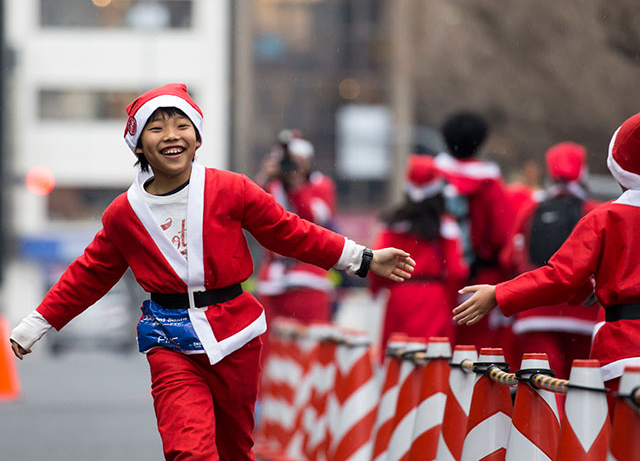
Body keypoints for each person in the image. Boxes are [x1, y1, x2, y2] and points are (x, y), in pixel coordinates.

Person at [8, 84, 416, 461]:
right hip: (168, 338)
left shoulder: (231, 189)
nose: (171, 135)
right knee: (189, 449)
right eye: (156, 128)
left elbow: (289, 232)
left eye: (182, 125)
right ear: (139, 145)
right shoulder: (124, 213)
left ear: (198, 138)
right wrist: (36, 323)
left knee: (234, 448)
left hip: (236, 332)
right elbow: (90, 273)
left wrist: (363, 258)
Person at [454, 112, 640, 413]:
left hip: (622, 349)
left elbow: (561, 276)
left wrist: (499, 294)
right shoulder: (591, 208)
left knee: (557, 391)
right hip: (583, 325)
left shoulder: (603, 218)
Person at [500, 141, 601, 381]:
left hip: (536, 310)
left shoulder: (531, 208)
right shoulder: (594, 210)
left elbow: (508, 258)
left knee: (545, 381)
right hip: (583, 314)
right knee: (579, 384)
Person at [434, 111, 515, 359]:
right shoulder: (490, 183)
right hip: (482, 277)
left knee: (439, 348)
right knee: (479, 353)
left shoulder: (434, 177)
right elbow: (503, 232)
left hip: (439, 275)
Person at [369, 155, 468, 357]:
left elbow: (377, 263)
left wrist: (377, 289)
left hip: (399, 295)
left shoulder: (392, 223)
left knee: (397, 365)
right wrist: (450, 303)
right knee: (433, 367)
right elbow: (456, 271)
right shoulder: (445, 225)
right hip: (434, 298)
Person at [254, 130, 338, 352]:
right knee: (268, 351)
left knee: (311, 348)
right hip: (273, 280)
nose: (294, 167)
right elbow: (251, 213)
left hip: (309, 277)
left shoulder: (320, 184)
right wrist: (265, 177)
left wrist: (296, 186)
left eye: (299, 162)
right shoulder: (272, 184)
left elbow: (316, 219)